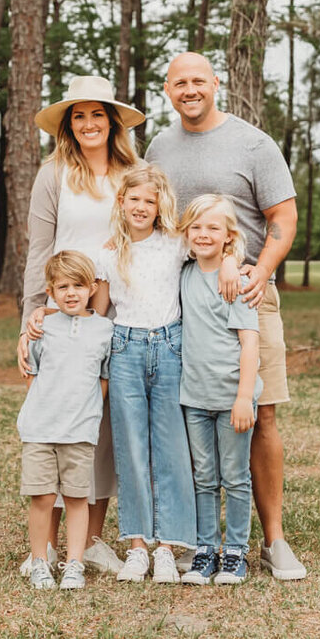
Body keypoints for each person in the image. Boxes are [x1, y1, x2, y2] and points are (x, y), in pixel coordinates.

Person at [147, 51, 308, 581]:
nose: (189, 89)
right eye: (179, 82)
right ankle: (196, 543)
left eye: (199, 80)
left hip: (246, 296)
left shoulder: (253, 143)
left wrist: (259, 271)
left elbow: (282, 215)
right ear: (167, 90)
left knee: (260, 413)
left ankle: (273, 541)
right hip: (179, 302)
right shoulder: (159, 147)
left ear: (216, 83)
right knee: (184, 419)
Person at [16, 75, 143, 578]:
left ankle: (91, 541)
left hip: (122, 309)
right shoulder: (53, 175)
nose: (88, 123)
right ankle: (41, 551)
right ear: (68, 124)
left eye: (97, 114)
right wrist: (30, 316)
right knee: (60, 416)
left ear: (112, 120)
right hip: (64, 308)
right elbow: (38, 250)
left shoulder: (134, 172)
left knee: (103, 428)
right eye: (78, 115)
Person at [90, 165, 242, 584]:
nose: (141, 207)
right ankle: (138, 545)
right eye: (133, 199)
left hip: (171, 348)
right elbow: (99, 312)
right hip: (124, 349)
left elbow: (213, 244)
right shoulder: (106, 253)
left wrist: (230, 261)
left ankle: (167, 548)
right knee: (131, 447)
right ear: (121, 203)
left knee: (172, 448)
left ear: (160, 208)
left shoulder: (174, 244)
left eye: (149, 201)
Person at [17, 251, 114, 592]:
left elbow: (104, 378)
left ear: (92, 288)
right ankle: (40, 561)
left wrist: (87, 410)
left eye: (78, 285)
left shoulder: (104, 330)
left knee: (76, 498)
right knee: (42, 497)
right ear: (51, 290)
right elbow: (33, 373)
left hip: (80, 431)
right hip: (40, 429)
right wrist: (46, 405)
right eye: (62, 287)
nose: (70, 293)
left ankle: (74, 563)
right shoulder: (42, 327)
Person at [177, 195, 261, 586]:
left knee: (236, 476)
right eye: (196, 226)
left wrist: (244, 397)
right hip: (194, 397)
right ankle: (206, 548)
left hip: (231, 398)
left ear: (229, 237)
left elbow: (250, 343)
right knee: (204, 477)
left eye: (213, 228)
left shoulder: (238, 281)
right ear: (186, 232)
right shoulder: (184, 274)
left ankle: (236, 552)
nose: (203, 234)